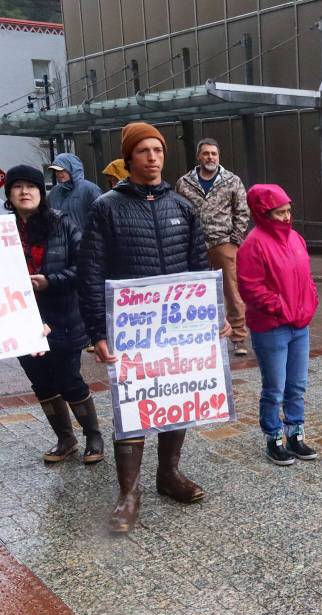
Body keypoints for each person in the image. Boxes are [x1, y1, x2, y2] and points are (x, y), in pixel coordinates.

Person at [79, 121, 226, 534]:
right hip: (131, 332)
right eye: (143, 151)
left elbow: (200, 268)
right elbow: (90, 274)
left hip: (177, 330)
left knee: (174, 397)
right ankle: (129, 494)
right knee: (132, 408)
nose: (153, 157)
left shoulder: (181, 207)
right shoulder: (106, 207)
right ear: (128, 160)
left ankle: (169, 475)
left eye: (158, 150)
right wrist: (98, 332)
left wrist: (210, 318)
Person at [4, 165, 103, 464]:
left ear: (40, 192)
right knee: (41, 382)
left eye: (31, 186)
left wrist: (50, 281)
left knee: (68, 378)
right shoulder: (4, 230)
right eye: (17, 186)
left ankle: (93, 436)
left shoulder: (62, 224)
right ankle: (65, 439)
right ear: (9, 193)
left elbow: (84, 267)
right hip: (19, 320)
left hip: (62, 317)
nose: (24, 191)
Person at [237, 184, 319, 466]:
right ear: (264, 213)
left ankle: (295, 432)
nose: (286, 217)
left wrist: (310, 301)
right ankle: (273, 437)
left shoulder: (295, 238)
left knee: (297, 385)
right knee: (275, 387)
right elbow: (251, 287)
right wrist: (281, 307)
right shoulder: (253, 244)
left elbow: (306, 275)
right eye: (279, 212)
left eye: (288, 211)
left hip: (299, 323)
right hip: (271, 326)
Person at [176, 138, 252, 357]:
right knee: (196, 293)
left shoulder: (232, 180)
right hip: (195, 245)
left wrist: (235, 239)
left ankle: (238, 338)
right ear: (199, 156)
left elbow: (242, 211)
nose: (210, 157)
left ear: (219, 156)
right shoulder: (184, 182)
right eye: (206, 153)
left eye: (214, 154)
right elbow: (179, 211)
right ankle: (200, 336)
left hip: (223, 242)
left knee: (232, 291)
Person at [47, 153, 102, 234]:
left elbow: (101, 219)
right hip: (60, 243)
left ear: (73, 168)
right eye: (56, 171)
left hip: (84, 243)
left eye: (62, 169)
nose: (58, 173)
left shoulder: (90, 190)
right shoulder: (54, 192)